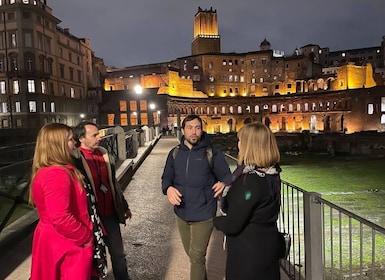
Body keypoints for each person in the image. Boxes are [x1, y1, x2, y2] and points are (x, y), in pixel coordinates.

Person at [29, 123, 107, 280]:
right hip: (67, 244)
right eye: (71, 139)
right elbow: (60, 216)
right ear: (59, 144)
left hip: (58, 240)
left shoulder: (48, 170)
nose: (75, 143)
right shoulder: (56, 174)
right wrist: (85, 237)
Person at [161, 114, 232, 280]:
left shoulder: (212, 153)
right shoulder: (175, 153)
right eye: (190, 128)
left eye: (197, 128)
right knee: (193, 256)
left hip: (204, 212)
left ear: (202, 130)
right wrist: (168, 189)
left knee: (197, 257)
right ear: (183, 130)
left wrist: (223, 183)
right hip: (181, 213)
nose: (194, 132)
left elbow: (227, 175)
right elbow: (166, 177)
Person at [213, 122, 282, 280]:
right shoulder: (271, 174)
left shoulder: (249, 181)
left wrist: (216, 221)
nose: (238, 144)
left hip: (249, 254)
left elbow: (233, 224)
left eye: (240, 140)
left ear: (249, 145)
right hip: (267, 246)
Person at [73, 121, 132, 280]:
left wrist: (124, 206)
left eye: (98, 134)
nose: (99, 138)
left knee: (118, 254)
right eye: (94, 135)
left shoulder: (104, 153)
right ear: (81, 138)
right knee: (94, 257)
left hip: (110, 215)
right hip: (91, 219)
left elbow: (114, 183)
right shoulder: (75, 159)